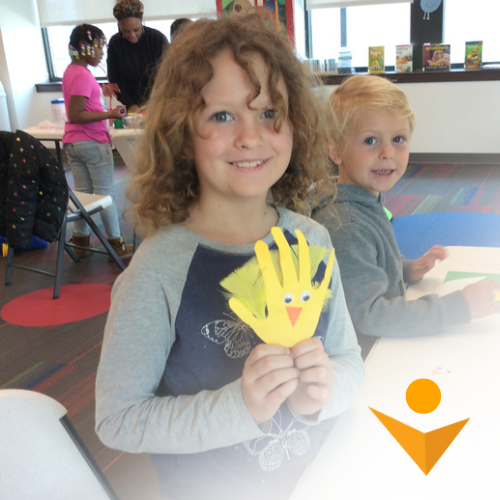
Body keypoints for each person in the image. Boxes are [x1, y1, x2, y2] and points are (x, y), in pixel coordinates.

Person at [95, 15, 364, 500]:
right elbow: (119, 419)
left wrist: (319, 396)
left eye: (268, 113)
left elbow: (347, 361)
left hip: (321, 480)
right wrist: (239, 407)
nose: (249, 136)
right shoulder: (159, 270)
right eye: (222, 116)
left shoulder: (314, 241)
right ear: (182, 132)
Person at [312, 74, 500, 356]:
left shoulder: (362, 199)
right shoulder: (347, 226)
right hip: (367, 355)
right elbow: (370, 316)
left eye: (398, 139)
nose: (388, 152)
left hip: (382, 340)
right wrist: (459, 307)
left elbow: (366, 263)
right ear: (336, 150)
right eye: (370, 140)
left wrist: (406, 268)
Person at [62, 24, 133, 258]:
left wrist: (100, 91)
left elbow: (81, 102)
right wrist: (111, 114)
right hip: (92, 141)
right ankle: (116, 243)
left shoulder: (72, 71)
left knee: (85, 193)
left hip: (74, 144)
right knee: (105, 195)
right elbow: (76, 114)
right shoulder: (83, 75)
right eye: (100, 48)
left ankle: (81, 239)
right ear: (86, 48)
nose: (102, 53)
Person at [107, 0, 168, 112]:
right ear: (119, 26)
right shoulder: (115, 43)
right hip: (131, 104)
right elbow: (115, 80)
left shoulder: (157, 39)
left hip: (160, 102)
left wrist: (155, 103)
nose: (132, 35)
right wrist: (130, 105)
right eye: (126, 31)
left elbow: (168, 75)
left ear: (141, 22)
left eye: (136, 30)